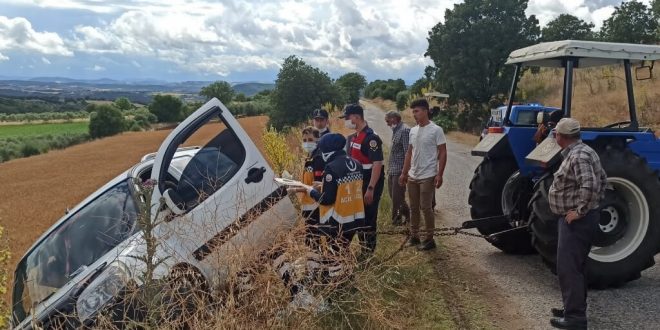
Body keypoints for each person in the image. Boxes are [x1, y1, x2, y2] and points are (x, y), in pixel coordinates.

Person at [548, 118, 606, 330]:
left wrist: (580, 212)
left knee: (569, 268)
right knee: (576, 266)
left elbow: (589, 185)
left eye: (556, 133)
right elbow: (603, 180)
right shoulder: (581, 152)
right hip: (578, 220)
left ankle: (575, 319)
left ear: (560, 137)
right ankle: (572, 307)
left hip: (577, 222)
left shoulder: (579, 155)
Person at [296, 133, 365, 252]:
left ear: (327, 150)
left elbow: (327, 199)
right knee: (344, 251)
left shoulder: (331, 168)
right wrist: (324, 185)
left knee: (334, 256)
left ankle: (336, 271)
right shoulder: (356, 164)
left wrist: (310, 191)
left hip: (338, 222)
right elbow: (345, 187)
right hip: (355, 218)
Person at [399, 99, 447, 251]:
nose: (414, 114)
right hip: (413, 175)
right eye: (413, 111)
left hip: (428, 174)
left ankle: (429, 239)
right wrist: (404, 173)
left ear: (426, 111)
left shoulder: (436, 130)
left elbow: (443, 152)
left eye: (417, 111)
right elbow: (409, 153)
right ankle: (414, 237)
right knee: (413, 208)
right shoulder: (413, 131)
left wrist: (440, 174)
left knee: (426, 207)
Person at [342, 104, 385, 255]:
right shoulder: (354, 137)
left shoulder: (371, 138)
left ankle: (368, 252)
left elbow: (377, 164)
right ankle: (363, 248)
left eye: (347, 118)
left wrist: (371, 189)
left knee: (369, 219)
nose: (346, 121)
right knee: (359, 217)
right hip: (357, 183)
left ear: (356, 117)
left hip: (369, 183)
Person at [384, 110, 411, 225]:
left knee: (397, 198)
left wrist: (404, 173)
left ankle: (396, 221)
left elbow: (407, 153)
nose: (387, 123)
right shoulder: (396, 130)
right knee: (394, 196)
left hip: (399, 170)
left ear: (394, 118)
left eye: (388, 121)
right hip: (392, 170)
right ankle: (409, 214)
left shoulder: (404, 130)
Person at [299, 126, 324, 246]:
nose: (307, 143)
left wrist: (296, 189)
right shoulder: (309, 157)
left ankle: (314, 262)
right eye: (304, 140)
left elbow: (318, 185)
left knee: (313, 238)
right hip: (308, 203)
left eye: (310, 139)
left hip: (315, 205)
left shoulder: (318, 158)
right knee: (310, 237)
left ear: (317, 140)